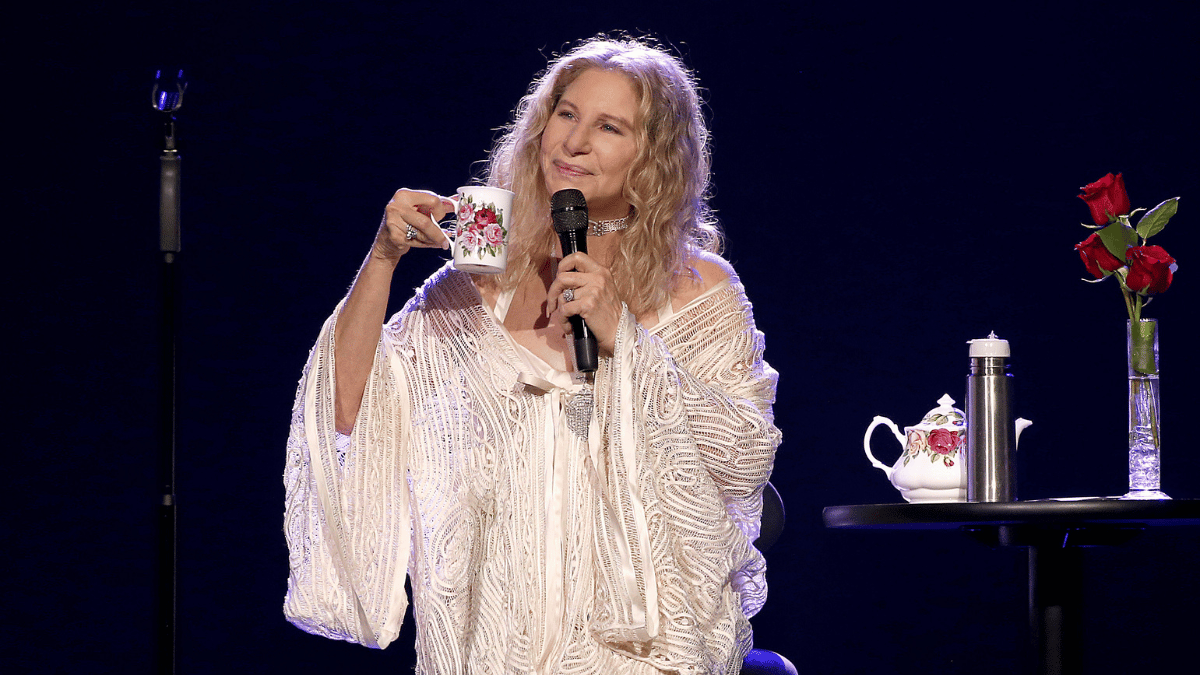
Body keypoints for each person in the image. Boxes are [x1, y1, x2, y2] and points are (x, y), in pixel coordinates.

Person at [283, 36, 782, 674]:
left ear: (653, 155)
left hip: (641, 651)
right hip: (492, 647)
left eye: (609, 127)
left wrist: (625, 341)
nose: (575, 142)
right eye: (566, 115)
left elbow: (743, 457)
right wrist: (384, 257)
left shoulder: (698, 285)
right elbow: (349, 410)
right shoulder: (484, 264)